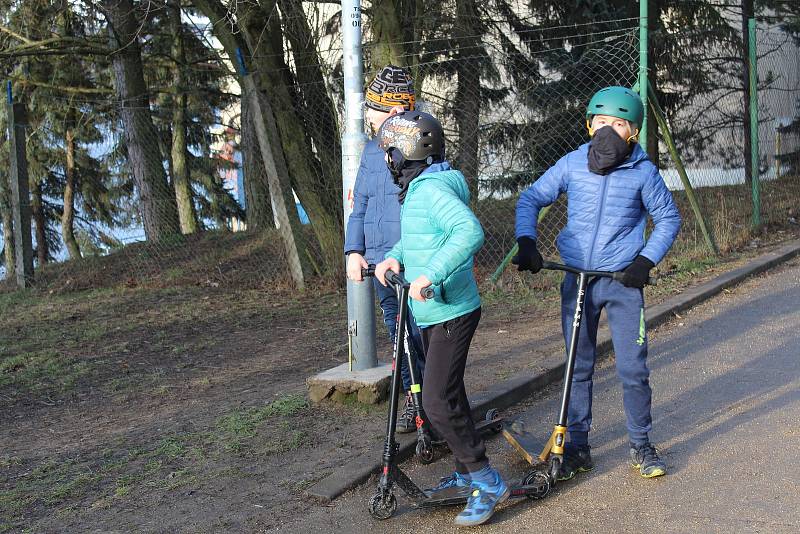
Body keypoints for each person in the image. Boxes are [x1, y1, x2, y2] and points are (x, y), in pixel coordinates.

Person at [514, 86, 682, 480]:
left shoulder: (643, 173)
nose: (609, 129)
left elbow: (669, 219)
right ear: (590, 124)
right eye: (602, 121)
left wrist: (644, 260)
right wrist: (527, 241)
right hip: (578, 280)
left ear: (634, 132)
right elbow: (531, 198)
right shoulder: (572, 164)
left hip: (622, 281)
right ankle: (577, 447)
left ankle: (641, 445)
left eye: (619, 123)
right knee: (578, 365)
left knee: (632, 368)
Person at [374, 111, 508, 527]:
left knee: (433, 401)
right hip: (434, 311)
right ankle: (469, 474)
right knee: (448, 397)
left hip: (451, 310)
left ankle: (487, 480)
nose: (388, 160)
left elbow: (468, 232)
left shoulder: (430, 191)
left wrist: (430, 274)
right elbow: (421, 235)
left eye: (390, 152)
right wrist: (396, 254)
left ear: (406, 152)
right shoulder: (421, 190)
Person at [344, 65, 425, 433]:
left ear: (393, 111)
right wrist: (353, 251)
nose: (367, 117)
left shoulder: (422, 150)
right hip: (377, 264)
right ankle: (413, 397)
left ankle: (432, 399)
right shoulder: (371, 153)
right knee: (398, 334)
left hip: (411, 261)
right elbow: (359, 205)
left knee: (420, 333)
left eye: (372, 110)